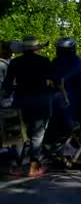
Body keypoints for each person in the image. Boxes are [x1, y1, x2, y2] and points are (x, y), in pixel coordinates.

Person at [0, 37, 54, 177]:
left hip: (20, 102)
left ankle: (16, 167)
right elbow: (55, 81)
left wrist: (4, 96)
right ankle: (33, 167)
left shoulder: (16, 63)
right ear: (36, 49)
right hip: (40, 103)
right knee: (37, 135)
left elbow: (6, 85)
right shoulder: (44, 61)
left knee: (19, 136)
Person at [51, 37, 81, 137]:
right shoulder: (56, 61)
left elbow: (73, 77)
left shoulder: (76, 61)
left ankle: (70, 131)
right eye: (59, 48)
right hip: (60, 89)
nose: (59, 51)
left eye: (61, 49)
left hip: (73, 91)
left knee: (63, 108)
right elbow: (52, 74)